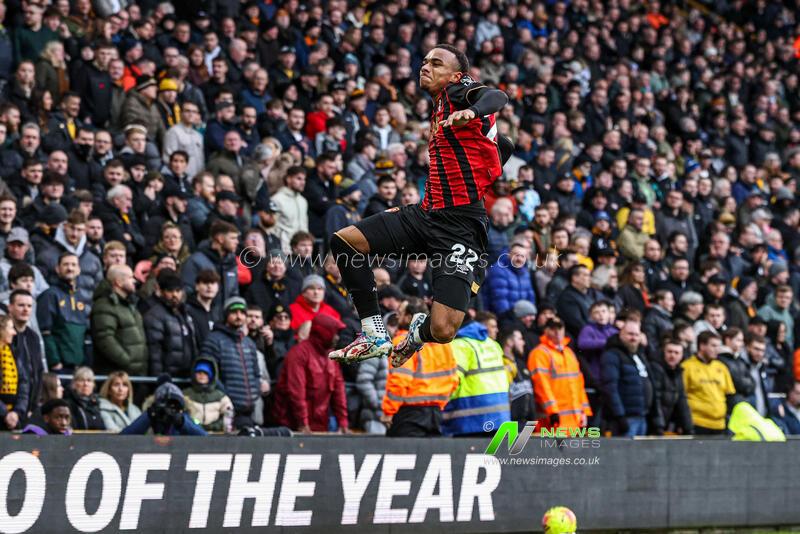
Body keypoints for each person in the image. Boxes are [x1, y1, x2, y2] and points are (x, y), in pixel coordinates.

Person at [329, 44, 511, 366]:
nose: (425, 67)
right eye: (424, 61)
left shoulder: (459, 92)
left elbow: (497, 96)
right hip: (425, 214)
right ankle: (372, 333)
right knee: (345, 242)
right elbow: (503, 146)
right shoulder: (439, 104)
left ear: (457, 75)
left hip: (461, 228)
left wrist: (473, 111)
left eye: (436, 63)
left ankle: (417, 333)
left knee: (443, 329)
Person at [382, 298, 458, 437]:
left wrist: (389, 411)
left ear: (410, 317)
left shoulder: (402, 342)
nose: (397, 316)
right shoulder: (443, 343)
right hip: (435, 414)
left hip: (408, 415)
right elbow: (454, 380)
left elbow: (400, 380)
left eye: (401, 312)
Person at [271, 314, 349, 432]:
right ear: (324, 332)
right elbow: (296, 392)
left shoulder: (332, 357)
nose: (337, 337)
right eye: (334, 333)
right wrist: (303, 423)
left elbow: (339, 391)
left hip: (320, 424)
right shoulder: (298, 354)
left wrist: (343, 422)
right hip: (292, 425)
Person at [200, 297, 261, 429]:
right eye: (234, 312)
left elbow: (256, 373)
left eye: (242, 312)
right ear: (226, 315)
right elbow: (209, 373)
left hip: (249, 408)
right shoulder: (214, 340)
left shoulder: (248, 343)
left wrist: (255, 392)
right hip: (224, 408)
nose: (239, 316)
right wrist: (225, 395)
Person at [442, 318, 510, 436]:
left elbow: (453, 379)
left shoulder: (459, 345)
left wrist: (440, 404)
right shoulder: (493, 344)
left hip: (470, 419)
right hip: (501, 416)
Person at [600, 315, 664, 436]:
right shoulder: (612, 355)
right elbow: (610, 388)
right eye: (629, 334)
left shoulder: (640, 355)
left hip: (643, 417)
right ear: (621, 335)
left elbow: (652, 387)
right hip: (626, 418)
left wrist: (657, 419)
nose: (633, 338)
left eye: (636, 334)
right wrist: (620, 416)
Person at [527, 317, 592, 432]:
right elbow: (541, 386)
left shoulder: (569, 353)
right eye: (552, 328)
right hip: (552, 421)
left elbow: (579, 384)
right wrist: (552, 411)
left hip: (574, 421)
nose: (557, 332)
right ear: (545, 330)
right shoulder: (539, 354)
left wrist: (584, 411)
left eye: (560, 328)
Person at [90, 264, 148, 376]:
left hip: (135, 373)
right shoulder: (104, 305)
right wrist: (127, 361)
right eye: (130, 277)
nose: (134, 281)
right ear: (118, 282)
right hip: (116, 373)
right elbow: (105, 338)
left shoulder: (130, 305)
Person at [37, 252, 90, 372]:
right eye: (66, 264)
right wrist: (55, 362)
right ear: (57, 269)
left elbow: (85, 333)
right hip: (59, 368)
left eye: (73, 265)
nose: (70, 268)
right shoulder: (50, 295)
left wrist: (83, 363)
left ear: (79, 270)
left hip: (78, 369)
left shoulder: (81, 297)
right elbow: (45, 331)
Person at [144, 269, 197, 378]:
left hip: (187, 375)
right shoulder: (155, 315)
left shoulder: (185, 314)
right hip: (167, 377)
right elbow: (154, 353)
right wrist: (158, 379)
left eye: (178, 291)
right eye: (170, 291)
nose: (175, 295)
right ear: (162, 292)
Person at [682, 331, 735, 435]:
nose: (717, 350)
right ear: (702, 346)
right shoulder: (687, 367)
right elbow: (681, 397)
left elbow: (730, 394)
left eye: (718, 346)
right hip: (697, 423)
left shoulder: (722, 367)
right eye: (713, 346)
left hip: (720, 425)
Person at [181, 220, 239, 309]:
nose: (237, 242)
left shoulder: (231, 263)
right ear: (220, 238)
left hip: (225, 319)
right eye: (233, 238)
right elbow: (187, 290)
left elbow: (234, 292)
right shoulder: (195, 261)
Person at [121, 379, 207, 436]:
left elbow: (206, 439)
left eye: (174, 405)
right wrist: (148, 416)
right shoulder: (151, 416)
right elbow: (123, 438)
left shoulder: (185, 417)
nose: (169, 409)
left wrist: (182, 422)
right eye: (166, 404)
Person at [8, 289, 43, 417]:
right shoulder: (5, 336)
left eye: (29, 306)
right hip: (10, 406)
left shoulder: (33, 337)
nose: (26, 309)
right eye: (21, 305)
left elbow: (38, 371)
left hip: (30, 407)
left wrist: (33, 405)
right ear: (10, 307)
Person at [651, 338, 694, 435]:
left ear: (682, 355)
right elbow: (655, 399)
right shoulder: (656, 369)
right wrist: (658, 425)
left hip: (665, 423)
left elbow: (682, 401)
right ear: (663, 352)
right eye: (669, 352)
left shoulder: (678, 372)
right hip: (653, 424)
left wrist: (688, 427)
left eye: (676, 353)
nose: (672, 355)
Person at [182, 357, 234, 433]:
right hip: (192, 434)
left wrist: (215, 426)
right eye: (199, 372)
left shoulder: (220, 396)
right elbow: (182, 415)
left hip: (216, 434)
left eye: (205, 373)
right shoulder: (186, 394)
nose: (202, 376)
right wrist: (194, 425)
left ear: (211, 375)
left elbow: (228, 415)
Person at [0, 314, 28, 430]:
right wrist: (4, 413)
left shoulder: (14, 354)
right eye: (11, 328)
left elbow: (23, 383)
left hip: (13, 418)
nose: (14, 333)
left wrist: (17, 412)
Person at [63, 366, 105, 431]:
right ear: (74, 383)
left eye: (89, 380)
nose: (85, 384)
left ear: (93, 384)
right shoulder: (68, 405)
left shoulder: (99, 403)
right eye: (81, 380)